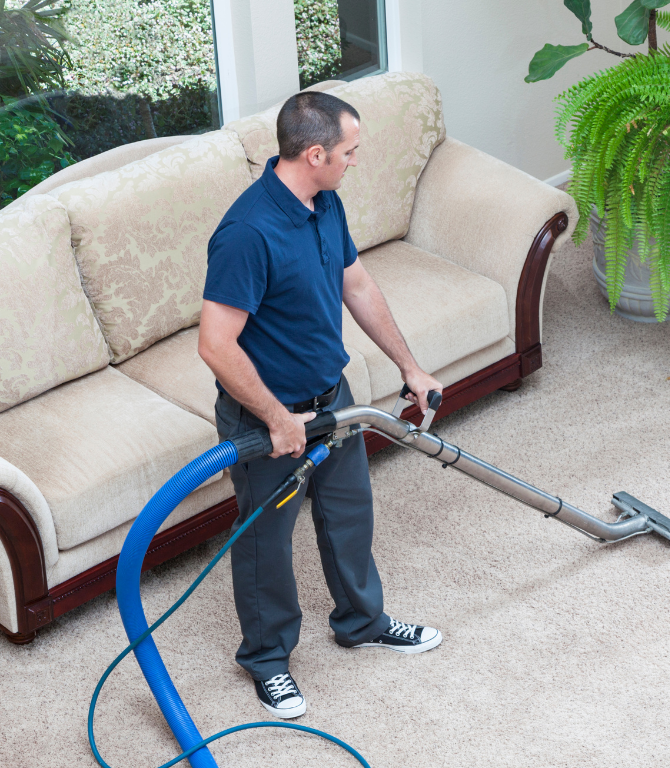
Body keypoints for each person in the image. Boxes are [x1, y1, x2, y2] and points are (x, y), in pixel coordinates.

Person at [198, 91, 443, 720]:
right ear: (315, 153)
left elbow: (354, 283)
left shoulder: (323, 202)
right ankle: (267, 659)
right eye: (348, 152)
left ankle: (362, 622)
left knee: (348, 514)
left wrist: (408, 366)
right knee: (266, 542)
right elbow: (215, 345)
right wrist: (277, 419)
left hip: (333, 399)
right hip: (270, 418)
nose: (353, 162)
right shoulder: (247, 232)